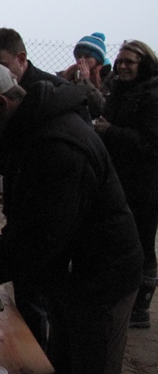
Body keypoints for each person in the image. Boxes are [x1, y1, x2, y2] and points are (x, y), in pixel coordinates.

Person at [0, 64, 142, 374]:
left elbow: (40, 240)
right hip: (72, 272)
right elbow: (40, 218)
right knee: (61, 360)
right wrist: (3, 244)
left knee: (90, 362)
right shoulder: (34, 131)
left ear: (0, 104)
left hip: (102, 277)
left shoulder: (58, 146)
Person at [0, 27, 68, 346]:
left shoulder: (53, 96)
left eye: (0, 66)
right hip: (20, 205)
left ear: (21, 59)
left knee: (48, 295)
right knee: (26, 290)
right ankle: (30, 348)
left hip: (56, 222)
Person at [94, 40, 158, 328]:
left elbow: (151, 144)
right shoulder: (119, 90)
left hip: (146, 183)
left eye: (129, 61)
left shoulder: (153, 96)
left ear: (143, 63)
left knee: (143, 241)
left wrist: (112, 131)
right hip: (119, 178)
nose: (122, 66)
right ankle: (120, 297)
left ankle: (140, 307)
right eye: (120, 61)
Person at [58, 32, 110, 117]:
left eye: (87, 57)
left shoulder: (108, 79)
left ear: (98, 60)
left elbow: (104, 108)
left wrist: (86, 82)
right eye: (78, 56)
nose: (81, 60)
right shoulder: (71, 75)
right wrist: (64, 78)